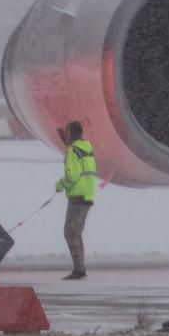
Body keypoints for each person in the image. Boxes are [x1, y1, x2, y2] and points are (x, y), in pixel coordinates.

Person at [54, 119, 96, 279]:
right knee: (76, 233)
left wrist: (60, 184)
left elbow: (72, 176)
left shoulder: (72, 151)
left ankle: (79, 269)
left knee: (70, 232)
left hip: (78, 196)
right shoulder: (86, 148)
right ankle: (80, 267)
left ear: (70, 133)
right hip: (87, 194)